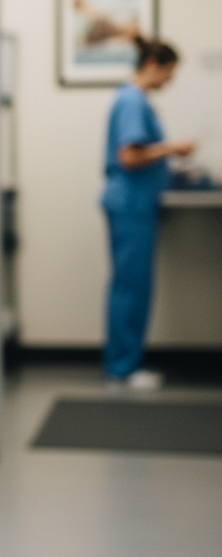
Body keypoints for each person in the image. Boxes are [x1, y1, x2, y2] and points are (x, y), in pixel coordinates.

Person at [101, 36, 195, 388]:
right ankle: (123, 368)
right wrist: (172, 147)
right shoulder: (131, 101)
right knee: (131, 287)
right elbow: (129, 156)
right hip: (130, 204)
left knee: (130, 285)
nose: (170, 82)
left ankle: (122, 364)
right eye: (169, 73)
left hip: (133, 203)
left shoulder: (135, 100)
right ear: (153, 65)